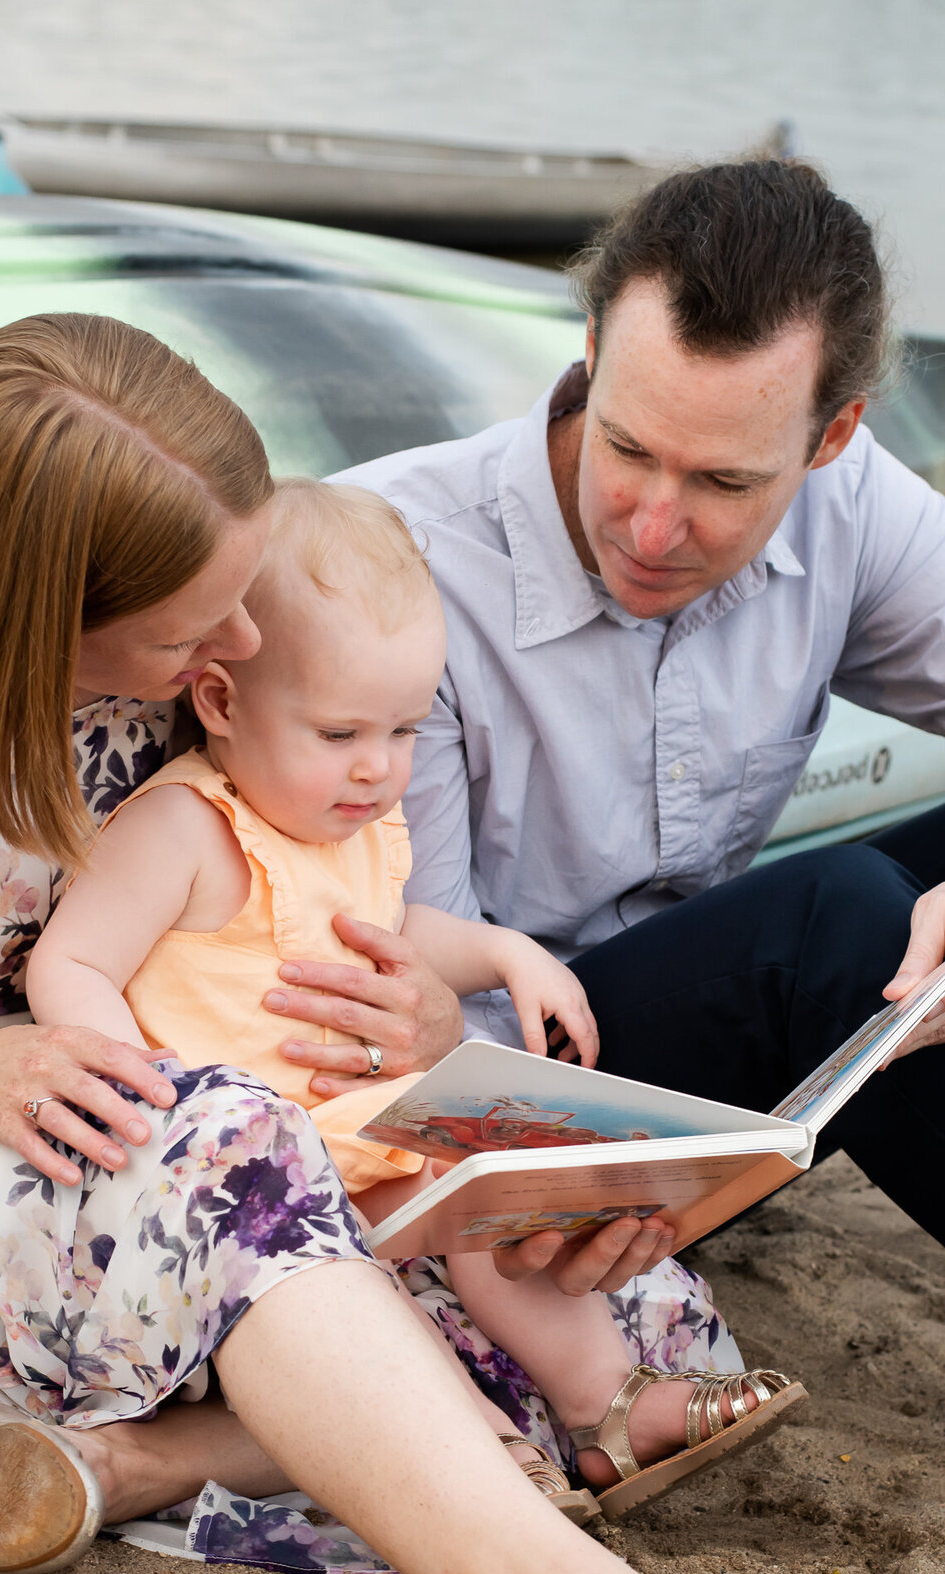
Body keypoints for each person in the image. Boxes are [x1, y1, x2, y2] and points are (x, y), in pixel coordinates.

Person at [0, 310, 934, 1574]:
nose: (234, 650)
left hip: (149, 1112)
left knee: (522, 1253)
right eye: (195, 631)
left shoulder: (186, 673)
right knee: (247, 1152)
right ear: (41, 614)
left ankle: (118, 1466)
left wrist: (433, 1027)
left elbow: (326, 892)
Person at [28, 475, 805, 1522]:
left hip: (362, 1144)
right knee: (379, 1284)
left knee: (491, 1195)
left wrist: (504, 954)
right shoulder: (186, 831)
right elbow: (69, 963)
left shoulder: (351, 831)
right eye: (343, 733)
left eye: (403, 732)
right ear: (220, 699)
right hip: (247, 1169)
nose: (378, 771)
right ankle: (473, 1448)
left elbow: (398, 935)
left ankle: (609, 1405)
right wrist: (141, 1093)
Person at [328, 158, 945, 1262]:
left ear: (833, 436)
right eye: (627, 450)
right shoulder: (386, 566)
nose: (653, 528)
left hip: (727, 1070)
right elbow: (423, 1036)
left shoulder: (851, 499)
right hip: (490, 1092)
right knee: (843, 927)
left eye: (724, 484)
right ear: (592, 358)